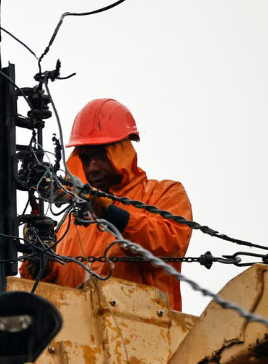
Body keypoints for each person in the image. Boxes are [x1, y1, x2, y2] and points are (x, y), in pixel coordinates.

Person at [22, 98, 193, 311]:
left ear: (122, 151)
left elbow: (168, 243)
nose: (92, 168)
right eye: (85, 158)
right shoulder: (71, 223)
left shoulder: (163, 194)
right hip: (80, 340)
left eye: (101, 156)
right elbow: (46, 292)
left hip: (146, 333)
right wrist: (39, 259)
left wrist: (105, 208)